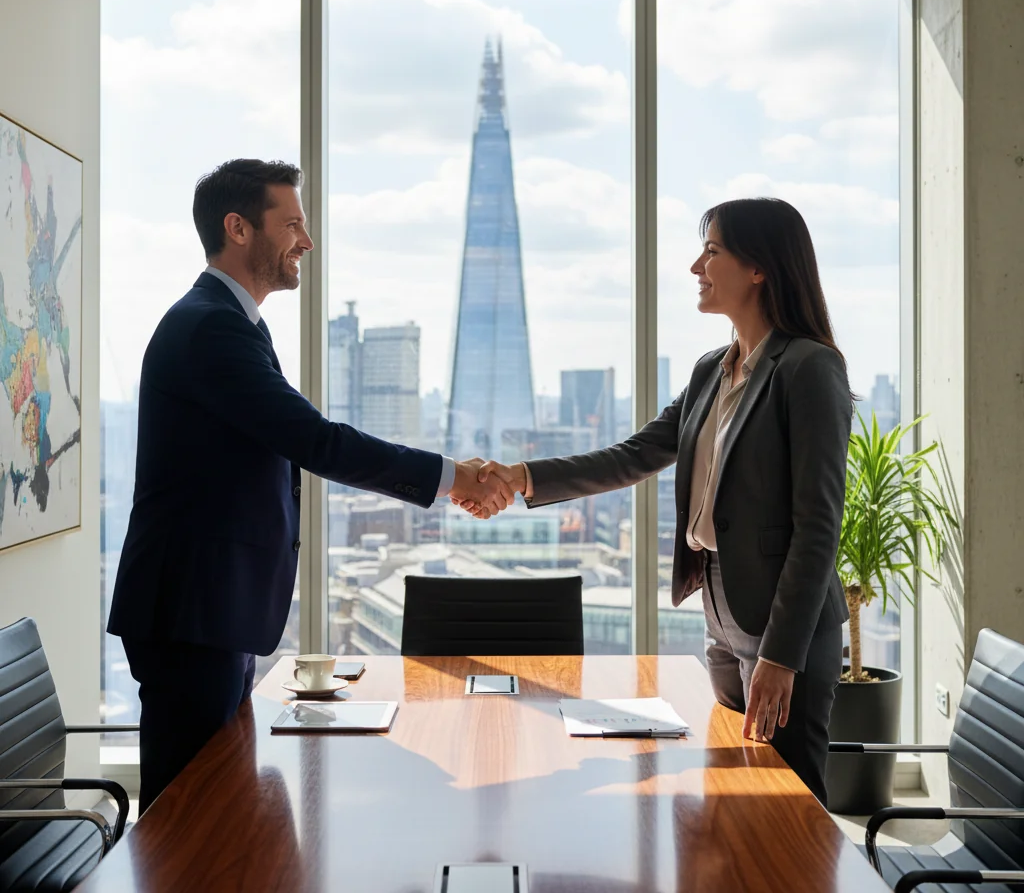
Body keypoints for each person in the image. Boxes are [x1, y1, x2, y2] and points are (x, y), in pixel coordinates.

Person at [108, 158, 512, 812]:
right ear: (238, 228)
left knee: (220, 803)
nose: (307, 240)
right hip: (192, 611)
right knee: (189, 813)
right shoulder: (211, 326)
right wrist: (452, 476)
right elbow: (315, 440)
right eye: (292, 223)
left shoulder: (233, 322)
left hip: (211, 607)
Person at [456, 197, 852, 805]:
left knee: (791, 801)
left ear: (759, 268)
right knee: (733, 793)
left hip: (782, 619)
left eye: (713, 251)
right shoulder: (712, 370)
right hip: (722, 604)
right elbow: (632, 455)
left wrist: (781, 654)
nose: (697, 266)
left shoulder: (807, 367)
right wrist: (520, 475)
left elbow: (819, 526)